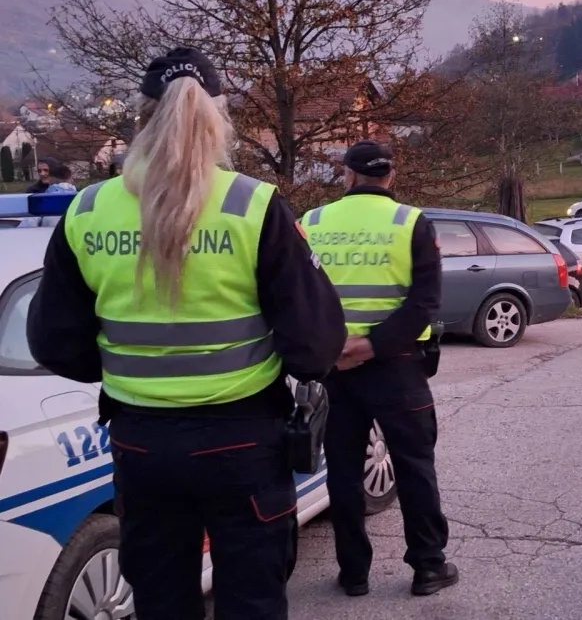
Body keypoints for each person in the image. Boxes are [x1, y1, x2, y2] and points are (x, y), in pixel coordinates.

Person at [26, 46, 347, 620]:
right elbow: (317, 344)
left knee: (161, 601)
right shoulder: (252, 205)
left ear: (141, 114)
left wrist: (130, 369)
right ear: (217, 117)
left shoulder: (87, 210)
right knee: (252, 600)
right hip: (242, 441)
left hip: (140, 443)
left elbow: (53, 342)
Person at [301, 140, 458, 598]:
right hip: (397, 367)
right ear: (391, 176)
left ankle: (353, 574)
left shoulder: (310, 222)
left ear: (346, 175)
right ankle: (428, 567)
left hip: (333, 369)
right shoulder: (411, 221)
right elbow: (424, 304)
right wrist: (371, 345)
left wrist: (332, 348)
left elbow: (297, 299)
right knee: (414, 467)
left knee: (344, 473)